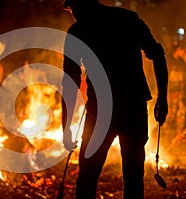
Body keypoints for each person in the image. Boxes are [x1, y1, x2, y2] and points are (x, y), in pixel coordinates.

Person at [61, 0, 168, 198]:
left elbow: (70, 81)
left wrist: (66, 126)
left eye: (74, 8)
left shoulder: (78, 31)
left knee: (88, 176)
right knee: (133, 175)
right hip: (132, 107)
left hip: (103, 111)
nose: (73, 13)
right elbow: (158, 56)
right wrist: (162, 98)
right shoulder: (127, 20)